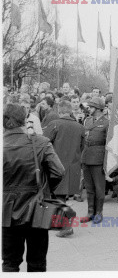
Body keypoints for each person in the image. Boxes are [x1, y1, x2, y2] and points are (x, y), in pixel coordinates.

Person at [3, 104, 65, 272]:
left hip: (6, 211)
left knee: (9, 263)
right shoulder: (40, 142)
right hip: (37, 208)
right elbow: (59, 172)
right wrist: (45, 188)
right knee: (37, 263)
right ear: (24, 121)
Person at [43, 100, 85, 238]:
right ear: (70, 110)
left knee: (58, 197)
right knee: (61, 196)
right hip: (73, 167)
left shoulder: (54, 124)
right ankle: (60, 223)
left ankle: (67, 225)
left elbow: (45, 143)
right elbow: (82, 147)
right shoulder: (79, 127)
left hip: (56, 166)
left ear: (59, 111)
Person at [80, 97, 109, 224]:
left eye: (91, 107)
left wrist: (106, 161)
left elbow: (109, 143)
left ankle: (99, 213)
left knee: (99, 188)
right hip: (86, 156)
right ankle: (90, 212)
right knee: (89, 187)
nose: (89, 109)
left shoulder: (106, 122)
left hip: (98, 157)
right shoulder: (87, 120)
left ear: (98, 109)